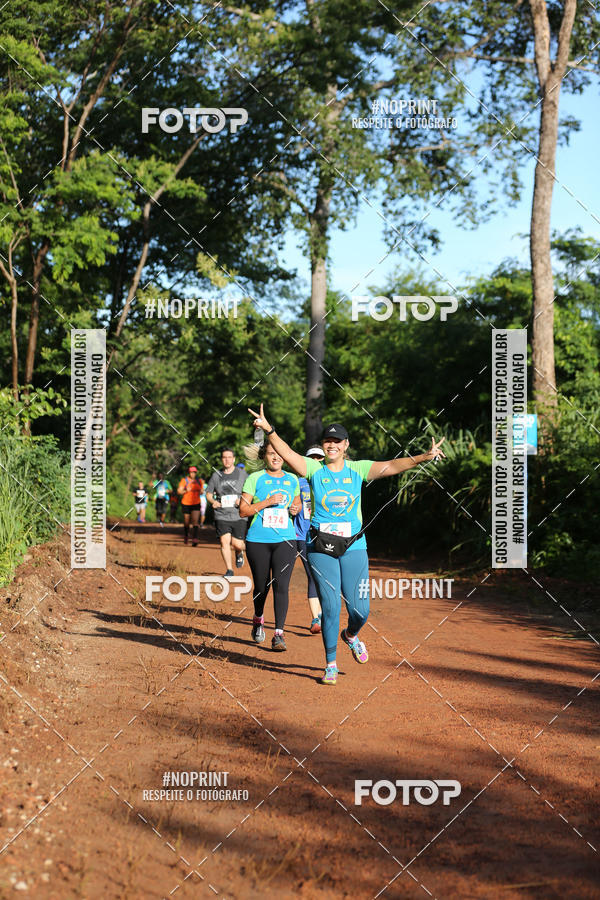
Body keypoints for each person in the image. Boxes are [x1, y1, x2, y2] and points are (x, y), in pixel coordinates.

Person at [248, 404, 445, 685]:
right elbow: (288, 452)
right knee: (330, 607)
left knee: (360, 610)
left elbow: (392, 466)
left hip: (354, 545)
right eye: (327, 441)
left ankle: (351, 635)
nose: (332, 445)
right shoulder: (313, 469)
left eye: (337, 442)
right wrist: (269, 430)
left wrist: (423, 457)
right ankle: (330, 664)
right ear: (323, 445)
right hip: (320, 546)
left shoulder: (358, 469)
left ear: (345, 445)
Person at [239, 442, 301, 651]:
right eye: (271, 454)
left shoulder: (292, 479)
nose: (276, 457)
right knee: (261, 585)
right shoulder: (254, 478)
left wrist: (296, 507)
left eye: (279, 454)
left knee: (281, 585)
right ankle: (258, 618)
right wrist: (267, 502)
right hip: (258, 540)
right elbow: (243, 510)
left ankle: (279, 635)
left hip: (285, 540)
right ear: (264, 456)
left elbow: (298, 501)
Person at [294, 446, 325, 634]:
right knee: (312, 575)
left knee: (325, 577)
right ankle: (316, 617)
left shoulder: (330, 481)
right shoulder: (297, 482)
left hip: (326, 535)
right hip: (302, 535)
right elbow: (290, 503)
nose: (315, 461)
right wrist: (292, 508)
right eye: (311, 458)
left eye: (319, 458)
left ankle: (323, 614)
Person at [206, 449, 248, 576]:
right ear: (221, 459)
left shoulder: (242, 474)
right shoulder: (216, 475)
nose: (227, 460)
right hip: (221, 514)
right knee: (224, 542)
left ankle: (239, 552)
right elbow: (208, 493)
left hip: (238, 514)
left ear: (234, 459)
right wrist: (213, 501)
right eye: (224, 457)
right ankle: (229, 570)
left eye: (229, 457)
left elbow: (250, 491)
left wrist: (242, 499)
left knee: (237, 544)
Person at [177, 466, 203, 546]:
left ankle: (195, 538)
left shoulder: (199, 481)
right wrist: (185, 490)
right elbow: (179, 491)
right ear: (189, 472)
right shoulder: (184, 480)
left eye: (194, 472)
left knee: (195, 521)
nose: (193, 474)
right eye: (191, 472)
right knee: (187, 522)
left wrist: (201, 491)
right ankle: (186, 535)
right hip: (186, 503)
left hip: (196, 503)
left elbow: (202, 491)